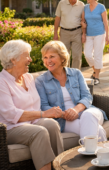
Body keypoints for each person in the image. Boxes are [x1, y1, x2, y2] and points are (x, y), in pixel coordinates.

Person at [0, 40, 64, 170]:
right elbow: (10, 114)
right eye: (27, 56)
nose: (30, 59)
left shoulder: (28, 78)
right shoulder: (2, 82)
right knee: (39, 132)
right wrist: (43, 114)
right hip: (11, 128)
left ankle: (60, 166)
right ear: (13, 60)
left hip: (32, 122)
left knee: (51, 124)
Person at [35, 41, 108, 143]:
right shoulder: (41, 81)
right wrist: (63, 114)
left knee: (89, 116)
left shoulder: (76, 73)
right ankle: (102, 155)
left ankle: (89, 155)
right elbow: (44, 106)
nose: (48, 61)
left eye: (52, 56)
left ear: (62, 57)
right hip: (64, 119)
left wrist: (75, 110)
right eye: (45, 57)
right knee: (98, 130)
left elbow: (87, 96)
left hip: (86, 111)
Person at [81, 0, 109, 85]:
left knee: (98, 55)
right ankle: (96, 70)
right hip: (89, 34)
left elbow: (105, 22)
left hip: (99, 34)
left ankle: (96, 77)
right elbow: (83, 21)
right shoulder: (85, 7)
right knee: (87, 54)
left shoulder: (101, 7)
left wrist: (107, 36)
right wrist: (83, 33)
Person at [54, 0, 85, 69]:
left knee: (77, 56)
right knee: (64, 56)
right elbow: (57, 19)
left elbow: (83, 21)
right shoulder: (61, 3)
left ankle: (75, 76)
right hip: (64, 33)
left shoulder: (81, 5)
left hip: (77, 32)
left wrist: (84, 34)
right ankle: (65, 75)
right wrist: (55, 34)